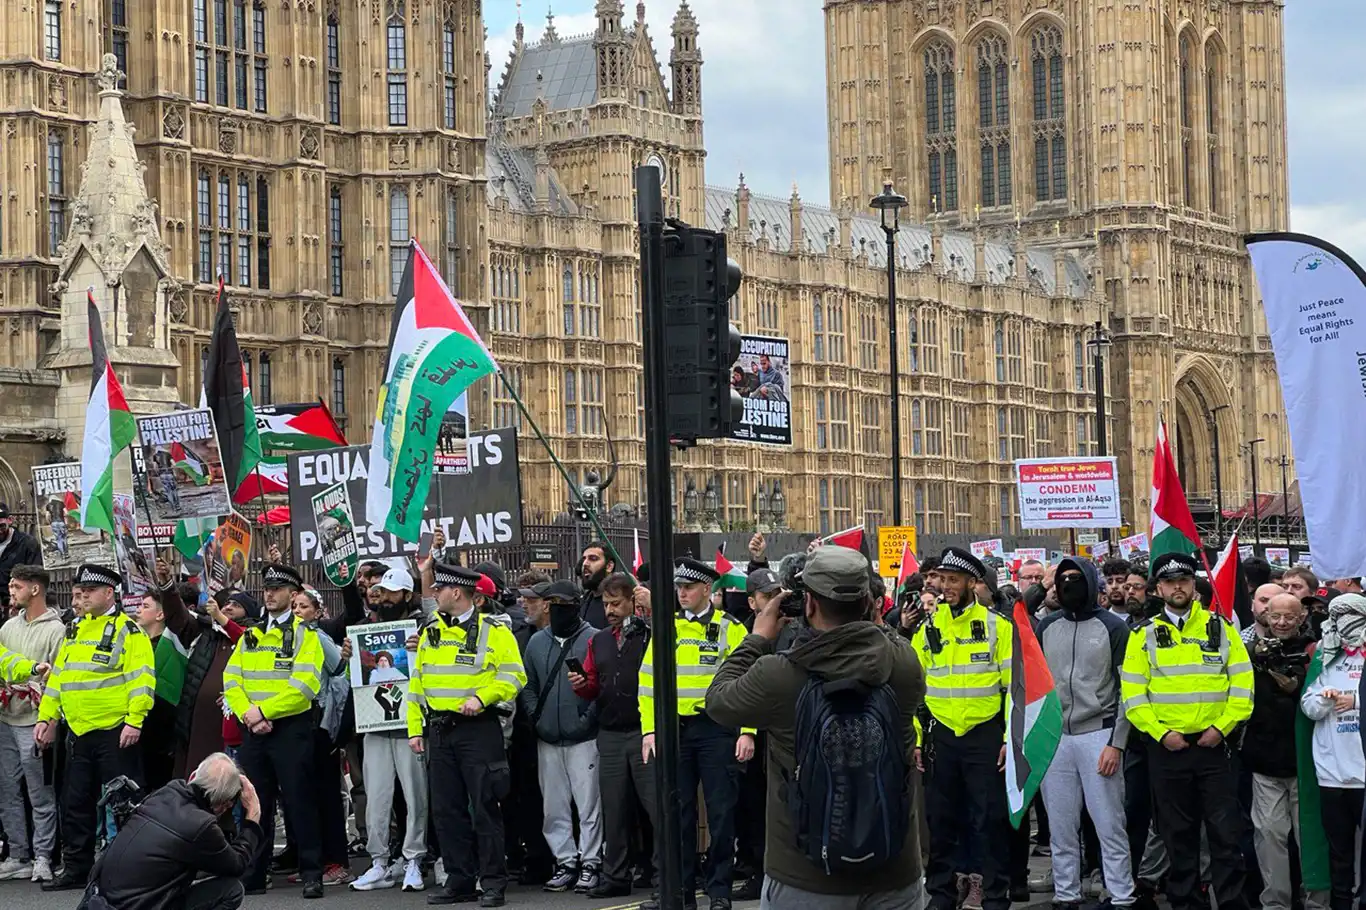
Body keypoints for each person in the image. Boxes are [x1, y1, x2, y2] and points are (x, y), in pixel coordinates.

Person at [706, 545, 925, 909]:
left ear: (808, 605)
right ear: (871, 605)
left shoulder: (779, 675)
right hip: (893, 872)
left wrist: (758, 637)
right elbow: (885, 639)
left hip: (804, 876)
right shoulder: (902, 666)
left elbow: (718, 700)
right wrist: (873, 617)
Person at [1121, 552, 1254, 910]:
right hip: (1168, 749)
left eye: (1183, 581)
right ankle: (1185, 903)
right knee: (1177, 836)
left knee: (1225, 835)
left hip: (1215, 748)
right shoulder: (1143, 634)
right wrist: (1161, 734)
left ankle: (1231, 903)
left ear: (1193, 586)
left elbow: (1242, 687)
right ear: (1159, 589)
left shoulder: (1221, 628)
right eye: (1169, 582)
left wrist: (1222, 729)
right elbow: (1133, 695)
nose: (1177, 588)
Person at [639, 557, 754, 910]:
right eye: (679, 588)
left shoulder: (730, 628)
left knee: (721, 815)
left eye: (688, 587)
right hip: (675, 730)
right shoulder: (667, 627)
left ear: (707, 589)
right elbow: (647, 681)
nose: (682, 593)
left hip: (717, 729)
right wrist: (650, 730)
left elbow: (748, 682)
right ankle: (681, 893)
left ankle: (719, 891)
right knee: (678, 815)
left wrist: (747, 731)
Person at [411, 561, 526, 908]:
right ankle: (459, 879)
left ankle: (492, 882)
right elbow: (419, 681)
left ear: (456, 593)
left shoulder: (495, 630)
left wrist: (482, 697)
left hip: (478, 730)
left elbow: (515, 677)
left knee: (485, 807)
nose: (434, 594)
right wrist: (415, 727)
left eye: (438, 589)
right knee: (446, 810)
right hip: (440, 730)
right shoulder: (432, 630)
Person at [35, 563, 155, 891]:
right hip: (78, 731)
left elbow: (142, 678)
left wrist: (135, 720)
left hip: (115, 730)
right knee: (74, 803)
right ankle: (77, 868)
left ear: (108, 593)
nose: (83, 596)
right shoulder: (74, 629)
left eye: (90, 591)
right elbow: (59, 678)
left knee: (124, 804)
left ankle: (134, 871)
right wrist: (47, 717)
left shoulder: (128, 630)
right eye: (81, 591)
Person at [911, 547, 1013, 910]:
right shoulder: (927, 629)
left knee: (988, 819)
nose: (946, 586)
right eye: (942, 579)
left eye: (953, 580)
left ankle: (995, 894)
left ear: (973, 582)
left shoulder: (997, 626)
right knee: (941, 820)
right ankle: (941, 893)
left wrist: (1007, 738)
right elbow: (915, 692)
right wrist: (919, 739)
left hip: (984, 735)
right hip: (941, 736)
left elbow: (1013, 689)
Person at [222, 562, 326, 898]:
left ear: (294, 594)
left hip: (290, 729)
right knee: (256, 804)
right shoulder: (251, 634)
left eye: (278, 589)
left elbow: (305, 685)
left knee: (300, 801)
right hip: (254, 730)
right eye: (267, 588)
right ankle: (254, 874)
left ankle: (312, 873)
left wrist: (264, 711)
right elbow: (231, 680)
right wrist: (248, 714)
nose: (269, 594)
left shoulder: (305, 635)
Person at [1036, 557, 1135, 910]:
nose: (1068, 584)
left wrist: (1116, 744)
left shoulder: (1114, 628)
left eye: (1076, 578)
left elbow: (1128, 690)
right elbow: (1034, 688)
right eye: (1063, 579)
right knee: (1061, 826)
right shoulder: (1045, 627)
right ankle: (1066, 894)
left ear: (1092, 582)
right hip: (1056, 739)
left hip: (1100, 734)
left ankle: (1122, 894)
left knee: (1109, 824)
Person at [569, 572, 656, 898]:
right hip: (610, 733)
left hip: (643, 731)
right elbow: (593, 685)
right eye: (606, 604)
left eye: (616, 603)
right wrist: (582, 685)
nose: (609, 610)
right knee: (614, 810)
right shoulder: (600, 640)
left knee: (655, 807)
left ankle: (666, 873)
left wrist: (654, 610)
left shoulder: (649, 633)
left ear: (634, 601)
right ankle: (615, 875)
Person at [90, 752, 264, 910]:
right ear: (224, 803)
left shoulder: (168, 792)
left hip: (100, 901)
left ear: (194, 776)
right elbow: (237, 865)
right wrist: (253, 817)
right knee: (231, 890)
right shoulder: (200, 825)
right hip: (136, 906)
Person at [349, 562, 431, 894]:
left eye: (391, 593)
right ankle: (380, 861)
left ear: (407, 595)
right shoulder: (365, 626)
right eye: (381, 593)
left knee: (415, 795)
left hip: (410, 725)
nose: (384, 599)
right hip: (376, 726)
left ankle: (414, 859)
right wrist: (349, 656)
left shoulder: (424, 626)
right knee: (377, 795)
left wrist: (421, 646)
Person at [521, 579, 602, 894]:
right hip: (548, 737)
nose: (557, 608)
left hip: (584, 738)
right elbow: (529, 686)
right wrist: (536, 717)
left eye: (563, 603)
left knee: (589, 806)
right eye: (552, 602)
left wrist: (586, 719)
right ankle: (566, 861)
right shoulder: (536, 643)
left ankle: (591, 861)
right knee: (553, 807)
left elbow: (599, 688)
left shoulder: (594, 639)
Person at [1241, 592, 1315, 910]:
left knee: (1308, 836)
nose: (1282, 623)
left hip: (1306, 761)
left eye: (1289, 617)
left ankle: (1315, 899)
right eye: (1275, 616)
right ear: (1265, 616)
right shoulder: (1249, 653)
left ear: (1301, 618)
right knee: (1269, 835)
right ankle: (1275, 903)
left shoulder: (1315, 652)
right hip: (1264, 761)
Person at [1300, 593, 1366, 910]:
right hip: (1333, 775)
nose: (1343, 621)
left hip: (1364, 776)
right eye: (1337, 614)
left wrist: (1356, 702)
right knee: (1338, 855)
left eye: (1351, 613)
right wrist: (1324, 699)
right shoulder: (1325, 657)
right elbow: (1309, 706)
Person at [0, 564, 63, 882]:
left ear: (35, 589)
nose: (11, 591)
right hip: (5, 718)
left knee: (40, 793)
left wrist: (50, 720)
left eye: (16, 586)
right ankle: (17, 855)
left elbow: (59, 680)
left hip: (34, 720)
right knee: (6, 790)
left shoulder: (56, 630)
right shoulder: (7, 628)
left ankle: (43, 857)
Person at [0, 505, 42, 609]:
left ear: (10, 520)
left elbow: (35, 577)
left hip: (16, 606)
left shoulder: (28, 544)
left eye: (1, 526)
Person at [579, 540, 615, 630]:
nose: (585, 564)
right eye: (584, 559)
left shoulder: (622, 600)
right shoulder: (584, 600)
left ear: (609, 566)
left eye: (593, 559)